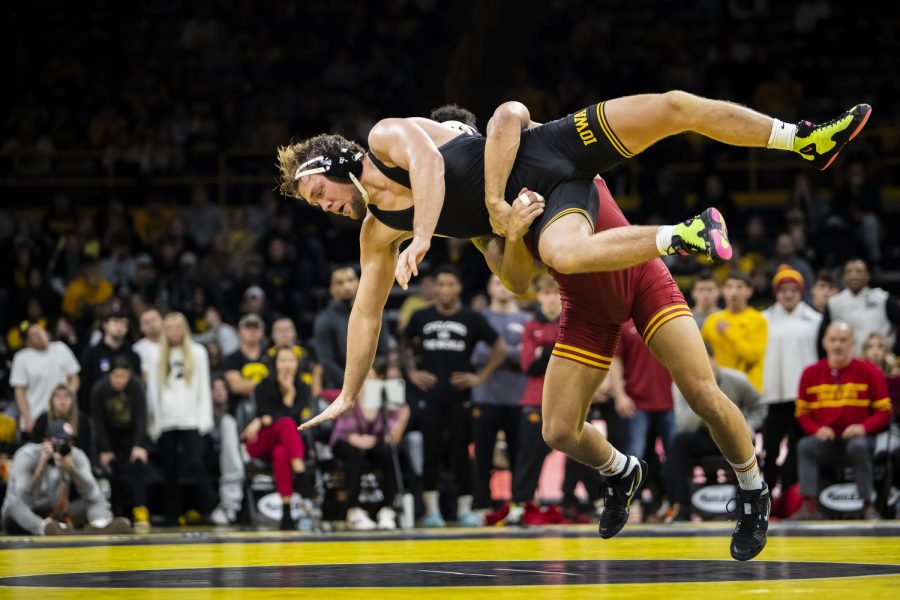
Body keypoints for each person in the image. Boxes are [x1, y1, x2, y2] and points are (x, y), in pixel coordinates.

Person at [287, 94, 870, 560]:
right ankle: (622, 472)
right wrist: (347, 390)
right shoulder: (407, 227)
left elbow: (488, 127)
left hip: (620, 250)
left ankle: (752, 490)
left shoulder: (416, 145)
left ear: (334, 164)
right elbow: (387, 306)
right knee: (558, 428)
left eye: (318, 194)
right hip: (584, 290)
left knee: (702, 392)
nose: (323, 208)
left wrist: (456, 216)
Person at [401, 265, 508, 527]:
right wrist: (412, 373)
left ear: (459, 287)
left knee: (461, 451)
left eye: (451, 284)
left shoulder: (471, 318)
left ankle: (464, 509)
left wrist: (479, 378)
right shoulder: (420, 315)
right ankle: (432, 510)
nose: (445, 289)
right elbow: (403, 344)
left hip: (461, 395)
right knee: (431, 450)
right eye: (441, 284)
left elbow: (500, 348)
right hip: (430, 394)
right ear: (434, 288)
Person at [794, 322, 892, 520]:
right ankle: (808, 508)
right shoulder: (810, 373)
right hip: (826, 439)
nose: (837, 345)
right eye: (833, 340)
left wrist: (863, 428)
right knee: (805, 445)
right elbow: (802, 414)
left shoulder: (869, 371)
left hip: (859, 439)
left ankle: (868, 505)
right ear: (824, 343)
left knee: (858, 446)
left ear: (852, 343)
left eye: (843, 340)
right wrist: (816, 429)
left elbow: (884, 411)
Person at [669, 344, 766, 521]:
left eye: (704, 360)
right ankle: (682, 506)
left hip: (732, 433)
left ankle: (748, 504)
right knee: (679, 442)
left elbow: (759, 405)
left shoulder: (737, 380)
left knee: (744, 438)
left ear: (714, 360)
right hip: (703, 435)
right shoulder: (681, 383)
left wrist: (750, 426)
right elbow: (684, 423)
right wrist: (702, 396)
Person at [1, 419, 131, 535]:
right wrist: (40, 467)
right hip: (24, 514)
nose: (63, 446)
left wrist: (72, 470)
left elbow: (92, 492)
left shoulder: (75, 455)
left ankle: (99, 525)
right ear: (47, 441)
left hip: (55, 513)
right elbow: (22, 497)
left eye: (68, 441)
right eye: (58, 441)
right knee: (15, 505)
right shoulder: (27, 454)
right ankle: (44, 528)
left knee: (100, 489)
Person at [149, 312, 217, 525]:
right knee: (170, 470)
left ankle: (210, 508)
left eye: (178, 328)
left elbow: (203, 388)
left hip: (191, 419)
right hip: (167, 420)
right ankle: (172, 515)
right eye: (169, 328)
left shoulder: (198, 352)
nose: (174, 333)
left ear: (184, 329)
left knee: (197, 464)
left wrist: (204, 420)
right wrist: (155, 424)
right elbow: (153, 391)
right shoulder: (157, 354)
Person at [470, 274, 530, 515]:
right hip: (485, 396)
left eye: (507, 283)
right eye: (497, 283)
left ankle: (519, 504)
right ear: (488, 287)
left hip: (518, 397)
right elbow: (476, 356)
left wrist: (499, 351)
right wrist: (511, 351)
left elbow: (528, 358)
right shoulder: (479, 318)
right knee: (483, 454)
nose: (503, 289)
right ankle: (481, 504)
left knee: (519, 453)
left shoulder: (526, 319)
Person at [760, 266, 822, 494]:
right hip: (772, 395)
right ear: (776, 292)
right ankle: (765, 497)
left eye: (793, 289)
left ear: (801, 292)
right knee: (770, 450)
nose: (788, 294)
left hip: (802, 397)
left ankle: (790, 494)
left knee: (798, 449)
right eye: (783, 289)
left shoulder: (815, 320)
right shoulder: (762, 320)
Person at [241, 346, 315, 531]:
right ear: (275, 364)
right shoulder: (263, 387)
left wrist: (289, 395)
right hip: (260, 442)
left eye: (291, 360)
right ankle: (301, 473)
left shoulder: (303, 388)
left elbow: (294, 416)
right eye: (282, 361)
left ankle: (287, 513)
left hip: (288, 446)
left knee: (281, 452)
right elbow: (275, 416)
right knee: (286, 423)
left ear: (297, 364)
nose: (287, 365)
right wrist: (263, 419)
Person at [330, 362, 410, 531]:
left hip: (371, 442)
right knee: (355, 454)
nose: (367, 380)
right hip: (346, 441)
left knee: (390, 453)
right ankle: (354, 511)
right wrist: (357, 439)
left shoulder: (384, 399)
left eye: (371, 376)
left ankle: (387, 509)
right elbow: (344, 429)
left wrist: (403, 419)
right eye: (364, 376)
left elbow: (391, 438)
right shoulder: (348, 397)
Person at [90, 357, 151, 530]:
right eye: (116, 376)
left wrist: (139, 445)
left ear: (129, 375)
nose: (120, 380)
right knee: (110, 468)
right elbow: (98, 421)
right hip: (109, 434)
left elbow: (142, 417)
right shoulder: (99, 389)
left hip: (131, 433)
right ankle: (117, 514)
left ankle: (141, 511)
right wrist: (106, 449)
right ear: (110, 375)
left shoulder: (137, 386)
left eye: (124, 376)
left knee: (138, 464)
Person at [313, 266, 392, 390]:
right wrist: (351, 383)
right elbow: (326, 360)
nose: (347, 286)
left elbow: (383, 350)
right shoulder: (324, 319)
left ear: (358, 282)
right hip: (339, 387)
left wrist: (372, 373)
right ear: (332, 289)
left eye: (351, 280)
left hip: (372, 381)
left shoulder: (376, 312)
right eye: (340, 283)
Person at [701, 271, 768, 391]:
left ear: (749, 291)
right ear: (722, 290)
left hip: (748, 390)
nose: (734, 291)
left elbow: (753, 356)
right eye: (729, 286)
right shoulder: (712, 321)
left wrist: (729, 332)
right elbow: (702, 354)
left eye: (739, 287)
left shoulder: (759, 320)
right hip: (719, 388)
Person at [819, 258, 900, 356]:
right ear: (844, 277)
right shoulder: (834, 303)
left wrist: (895, 351)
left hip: (879, 364)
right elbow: (823, 336)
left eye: (859, 271)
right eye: (849, 272)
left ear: (868, 275)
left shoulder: (882, 299)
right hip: (847, 364)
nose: (853, 275)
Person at [10, 323, 80, 436]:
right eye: (33, 334)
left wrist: (67, 395)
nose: (39, 335)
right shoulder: (21, 357)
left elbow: (74, 377)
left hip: (62, 416)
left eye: (39, 330)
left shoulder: (61, 348)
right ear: (27, 342)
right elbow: (19, 392)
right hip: (36, 415)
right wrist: (27, 419)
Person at [78, 308, 142, 416]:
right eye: (115, 321)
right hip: (97, 414)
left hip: (127, 416)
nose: (119, 326)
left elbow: (138, 387)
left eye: (123, 322)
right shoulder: (91, 353)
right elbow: (84, 387)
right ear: (105, 324)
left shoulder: (133, 355)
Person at [32, 384, 94, 468]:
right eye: (58, 397)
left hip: (75, 463)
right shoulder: (43, 419)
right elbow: (35, 446)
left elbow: (86, 448)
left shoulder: (82, 420)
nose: (62, 401)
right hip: (47, 464)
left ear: (72, 400)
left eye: (66, 397)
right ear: (51, 400)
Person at [222, 313, 268, 416]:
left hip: (266, 416)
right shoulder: (231, 358)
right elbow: (237, 386)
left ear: (262, 332)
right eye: (248, 328)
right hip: (236, 415)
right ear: (239, 331)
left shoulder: (270, 357)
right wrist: (267, 385)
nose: (252, 331)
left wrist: (247, 384)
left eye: (255, 328)